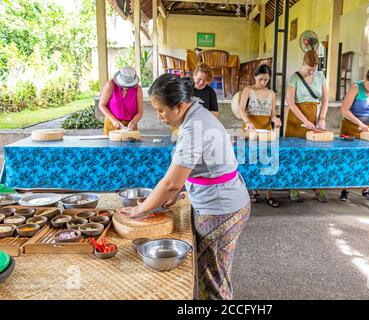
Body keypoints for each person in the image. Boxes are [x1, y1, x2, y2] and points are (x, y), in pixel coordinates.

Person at [120, 74, 251, 300]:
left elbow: (171, 182)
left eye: (161, 110)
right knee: (215, 274)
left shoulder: (193, 129)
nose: (160, 116)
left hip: (220, 208)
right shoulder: (197, 113)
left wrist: (140, 210)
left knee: (214, 282)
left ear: (179, 106)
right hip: (225, 201)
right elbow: (204, 167)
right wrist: (181, 191)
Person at [285, 50, 329, 203]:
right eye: (309, 68)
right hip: (297, 119)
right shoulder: (294, 77)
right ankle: (294, 187)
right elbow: (290, 103)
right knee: (295, 155)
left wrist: (322, 118)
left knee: (315, 154)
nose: (312, 71)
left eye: (314, 68)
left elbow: (325, 99)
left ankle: (317, 186)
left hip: (314, 116)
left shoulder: (320, 76)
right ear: (304, 63)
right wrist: (305, 120)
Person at [339, 67, 369, 202]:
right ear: (366, 79)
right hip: (352, 127)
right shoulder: (356, 87)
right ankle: (345, 189)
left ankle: (366, 189)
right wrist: (359, 123)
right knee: (350, 159)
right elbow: (344, 109)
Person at [239, 64, 282, 207]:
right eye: (261, 79)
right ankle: (255, 191)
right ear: (255, 77)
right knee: (253, 158)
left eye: (266, 80)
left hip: (266, 129)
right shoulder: (248, 90)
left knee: (269, 159)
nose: (263, 82)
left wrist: (276, 120)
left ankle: (269, 193)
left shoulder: (271, 93)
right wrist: (247, 122)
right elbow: (241, 109)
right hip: (251, 129)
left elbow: (273, 115)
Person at [99, 66, 144, 135]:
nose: (126, 88)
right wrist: (114, 120)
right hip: (112, 123)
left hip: (130, 126)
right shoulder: (111, 85)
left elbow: (140, 112)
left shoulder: (138, 89)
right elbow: (102, 105)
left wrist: (133, 122)